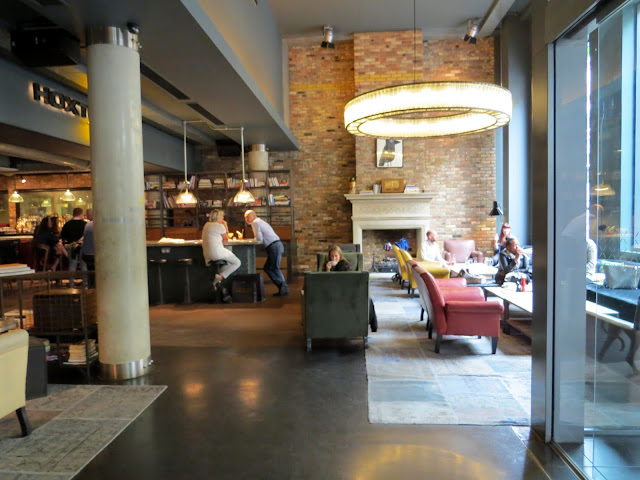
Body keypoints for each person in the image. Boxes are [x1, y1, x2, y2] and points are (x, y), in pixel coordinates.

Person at [323, 245, 378, 332]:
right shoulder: (326, 266)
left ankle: (372, 324)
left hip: (347, 289)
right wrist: (328, 270)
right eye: (332, 256)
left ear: (340, 256)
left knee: (368, 298)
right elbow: (325, 282)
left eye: (336, 256)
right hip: (333, 291)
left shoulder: (344, 265)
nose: (334, 258)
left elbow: (349, 280)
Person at [244, 209, 289, 296]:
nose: (246, 219)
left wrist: (255, 239)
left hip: (274, 246)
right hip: (276, 245)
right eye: (245, 217)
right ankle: (282, 286)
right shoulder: (260, 221)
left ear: (254, 216)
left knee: (274, 268)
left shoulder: (255, 222)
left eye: (248, 217)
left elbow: (259, 238)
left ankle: (283, 287)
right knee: (269, 268)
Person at [202, 210, 241, 298]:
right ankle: (219, 277)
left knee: (228, 263)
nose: (223, 218)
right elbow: (226, 240)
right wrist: (226, 226)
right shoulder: (219, 226)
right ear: (218, 217)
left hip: (207, 254)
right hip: (217, 252)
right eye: (222, 216)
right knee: (237, 262)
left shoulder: (206, 225)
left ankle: (217, 279)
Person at [61, 207, 87, 271]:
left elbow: (63, 236)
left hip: (71, 246)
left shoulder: (67, 224)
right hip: (82, 246)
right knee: (84, 265)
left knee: (72, 265)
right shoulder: (85, 224)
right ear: (81, 214)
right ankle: (85, 278)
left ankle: (71, 277)